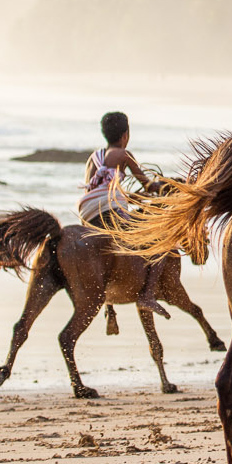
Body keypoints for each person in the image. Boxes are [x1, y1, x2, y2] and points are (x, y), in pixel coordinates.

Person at [78, 111, 169, 317]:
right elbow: (148, 185)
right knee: (159, 244)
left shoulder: (94, 157)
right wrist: (165, 185)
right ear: (125, 135)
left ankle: (109, 309)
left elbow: (94, 188)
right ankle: (147, 295)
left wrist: (127, 198)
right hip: (106, 209)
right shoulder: (124, 155)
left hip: (86, 211)